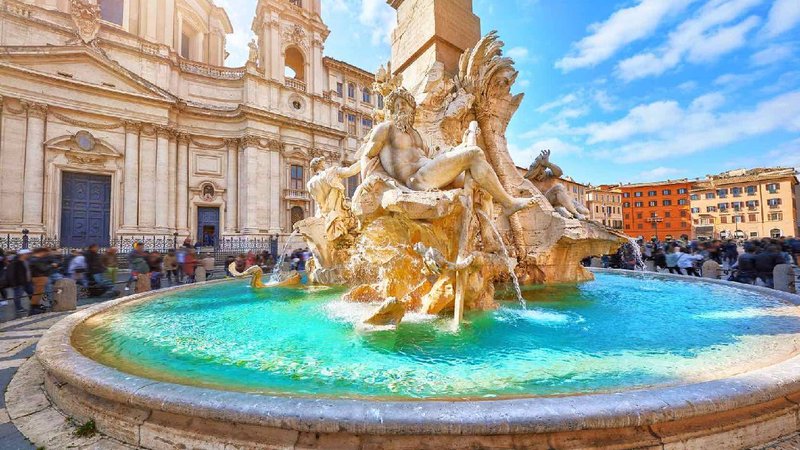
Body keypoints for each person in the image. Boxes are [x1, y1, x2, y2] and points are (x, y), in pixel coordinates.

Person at [358, 87, 539, 217]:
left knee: (481, 185)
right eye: (396, 105)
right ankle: (508, 203)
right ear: (390, 109)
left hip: (430, 173)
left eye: (404, 104)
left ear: (412, 109)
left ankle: (488, 236)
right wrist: (379, 180)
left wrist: (460, 146)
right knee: (474, 154)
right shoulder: (385, 128)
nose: (400, 108)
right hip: (416, 180)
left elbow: (431, 159)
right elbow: (367, 156)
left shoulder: (416, 135)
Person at [7, 249, 33, 315]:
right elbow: (11, 274)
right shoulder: (15, 262)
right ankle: (19, 308)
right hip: (19, 283)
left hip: (28, 282)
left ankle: (34, 305)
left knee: (31, 293)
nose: (29, 255)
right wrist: (14, 284)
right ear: (23, 255)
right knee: (18, 296)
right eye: (27, 254)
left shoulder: (26, 261)